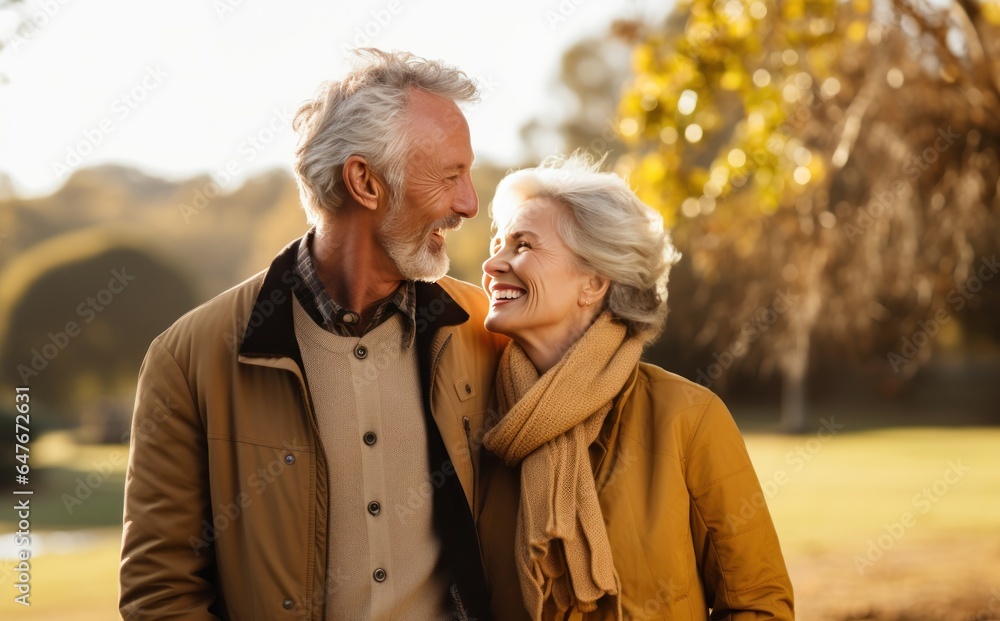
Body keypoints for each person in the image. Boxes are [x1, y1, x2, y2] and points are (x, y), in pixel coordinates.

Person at [119, 49, 506, 621]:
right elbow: (161, 592)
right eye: (450, 176)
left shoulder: (486, 332)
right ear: (364, 182)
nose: (470, 204)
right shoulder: (188, 358)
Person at [476, 154, 795, 620]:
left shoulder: (687, 416)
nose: (492, 262)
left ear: (594, 282)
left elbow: (758, 603)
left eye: (522, 245)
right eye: (498, 242)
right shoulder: (476, 418)